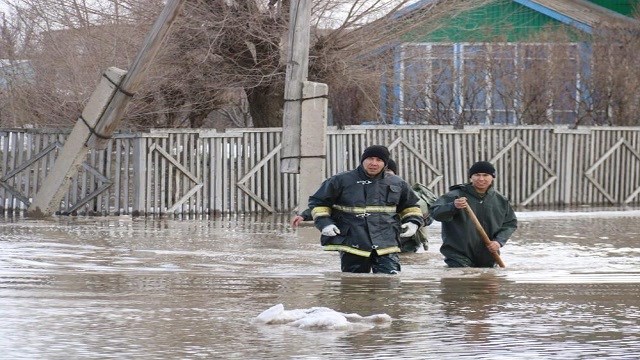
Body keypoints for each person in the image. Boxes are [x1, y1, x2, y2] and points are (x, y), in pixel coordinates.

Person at [308, 145, 424, 274]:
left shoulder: (398, 183)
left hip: (386, 241)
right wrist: (325, 224)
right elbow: (318, 203)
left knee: (389, 284)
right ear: (363, 160)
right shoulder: (340, 180)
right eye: (370, 158)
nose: (374, 163)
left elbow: (411, 206)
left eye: (379, 160)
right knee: (354, 285)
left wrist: (413, 222)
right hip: (353, 242)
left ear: (385, 164)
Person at [429, 161, 517, 268]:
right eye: (477, 175)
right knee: (463, 280)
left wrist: (498, 242)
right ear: (471, 177)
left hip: (489, 257)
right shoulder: (455, 195)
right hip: (458, 256)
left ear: (492, 177)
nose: (481, 179)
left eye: (485, 175)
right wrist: (452, 206)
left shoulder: (501, 200)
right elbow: (435, 213)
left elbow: (510, 224)